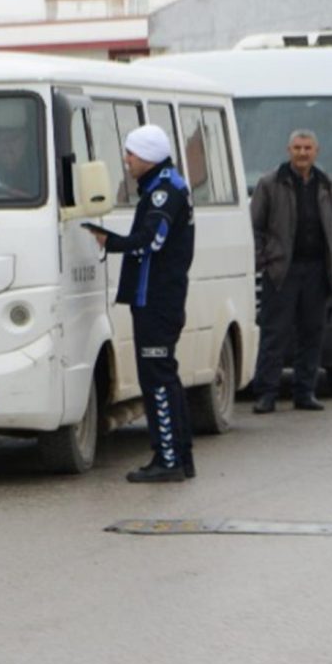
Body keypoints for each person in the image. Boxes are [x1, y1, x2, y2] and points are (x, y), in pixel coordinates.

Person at [82, 124, 196, 484]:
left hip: (157, 300)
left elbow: (152, 241)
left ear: (147, 155)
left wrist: (111, 242)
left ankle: (168, 459)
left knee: (157, 378)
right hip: (158, 298)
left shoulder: (164, 192)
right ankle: (179, 456)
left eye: (130, 153)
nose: (126, 160)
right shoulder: (163, 184)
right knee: (165, 376)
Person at [248, 129, 332, 413]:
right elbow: (255, 228)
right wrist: (263, 261)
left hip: (317, 271)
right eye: (297, 148)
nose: (302, 153)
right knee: (274, 333)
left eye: (307, 148)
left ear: (316, 151)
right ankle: (266, 393)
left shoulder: (328, 186)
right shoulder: (270, 184)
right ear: (289, 150)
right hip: (282, 271)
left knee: (312, 332)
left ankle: (305, 392)